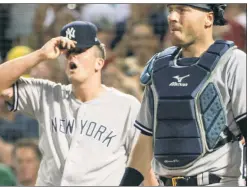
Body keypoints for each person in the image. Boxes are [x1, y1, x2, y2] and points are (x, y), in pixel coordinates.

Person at [0, 21, 158, 186]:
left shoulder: (126, 106)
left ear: (99, 62)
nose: (72, 57)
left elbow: (143, 166)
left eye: (79, 51)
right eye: (68, 53)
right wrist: (40, 54)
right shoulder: (47, 95)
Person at [120, 4, 246, 186]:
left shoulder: (234, 62)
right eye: (170, 9)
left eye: (182, 10)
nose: (172, 17)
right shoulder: (159, 67)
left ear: (208, 18)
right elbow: (146, 140)